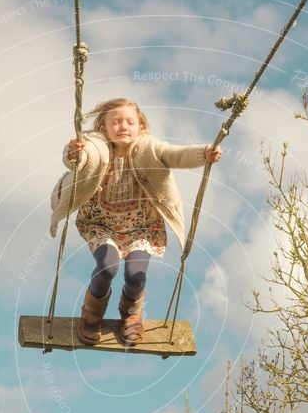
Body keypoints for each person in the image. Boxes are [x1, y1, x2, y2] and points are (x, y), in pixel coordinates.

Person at [50, 97, 221, 346]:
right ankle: (92, 313)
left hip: (142, 226)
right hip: (102, 223)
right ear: (103, 128)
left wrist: (203, 153)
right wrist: (74, 153)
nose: (123, 126)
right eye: (115, 122)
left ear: (141, 127)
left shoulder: (150, 148)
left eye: (130, 122)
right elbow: (78, 159)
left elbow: (175, 155)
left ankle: (131, 315)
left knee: (136, 275)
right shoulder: (96, 146)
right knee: (108, 267)